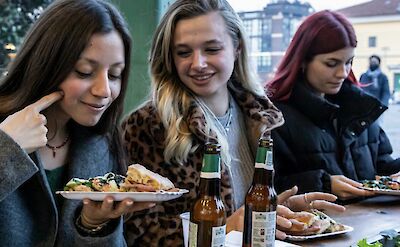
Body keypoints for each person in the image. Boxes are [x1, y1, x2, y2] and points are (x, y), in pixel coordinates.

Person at [121, 1, 345, 246]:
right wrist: (225, 227)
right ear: (170, 57)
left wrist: (279, 209)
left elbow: (245, 212)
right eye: (184, 52)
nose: (198, 63)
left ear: (237, 47)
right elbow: (138, 233)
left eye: (212, 49)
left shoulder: (259, 115)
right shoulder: (146, 124)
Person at [0, 0, 154, 246]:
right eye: (84, 72)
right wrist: (7, 149)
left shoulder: (101, 145)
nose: (104, 90)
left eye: (114, 75)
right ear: (47, 65)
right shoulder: (5, 130)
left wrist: (92, 226)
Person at [267, 10, 400, 201]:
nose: (343, 73)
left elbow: (383, 166)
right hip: (318, 228)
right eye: (331, 63)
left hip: (372, 226)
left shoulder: (362, 108)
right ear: (302, 61)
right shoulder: (275, 117)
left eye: (349, 62)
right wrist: (323, 184)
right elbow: (269, 187)